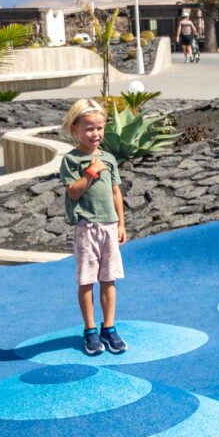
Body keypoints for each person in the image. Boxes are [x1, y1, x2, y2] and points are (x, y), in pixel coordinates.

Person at [59, 99, 128, 356]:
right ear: (75, 129)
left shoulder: (108, 158)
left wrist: (121, 223)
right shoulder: (71, 160)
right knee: (87, 281)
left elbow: (115, 192)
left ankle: (108, 327)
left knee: (109, 279)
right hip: (86, 228)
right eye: (89, 128)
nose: (95, 134)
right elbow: (74, 193)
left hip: (109, 226)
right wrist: (90, 173)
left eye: (99, 128)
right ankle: (89, 329)